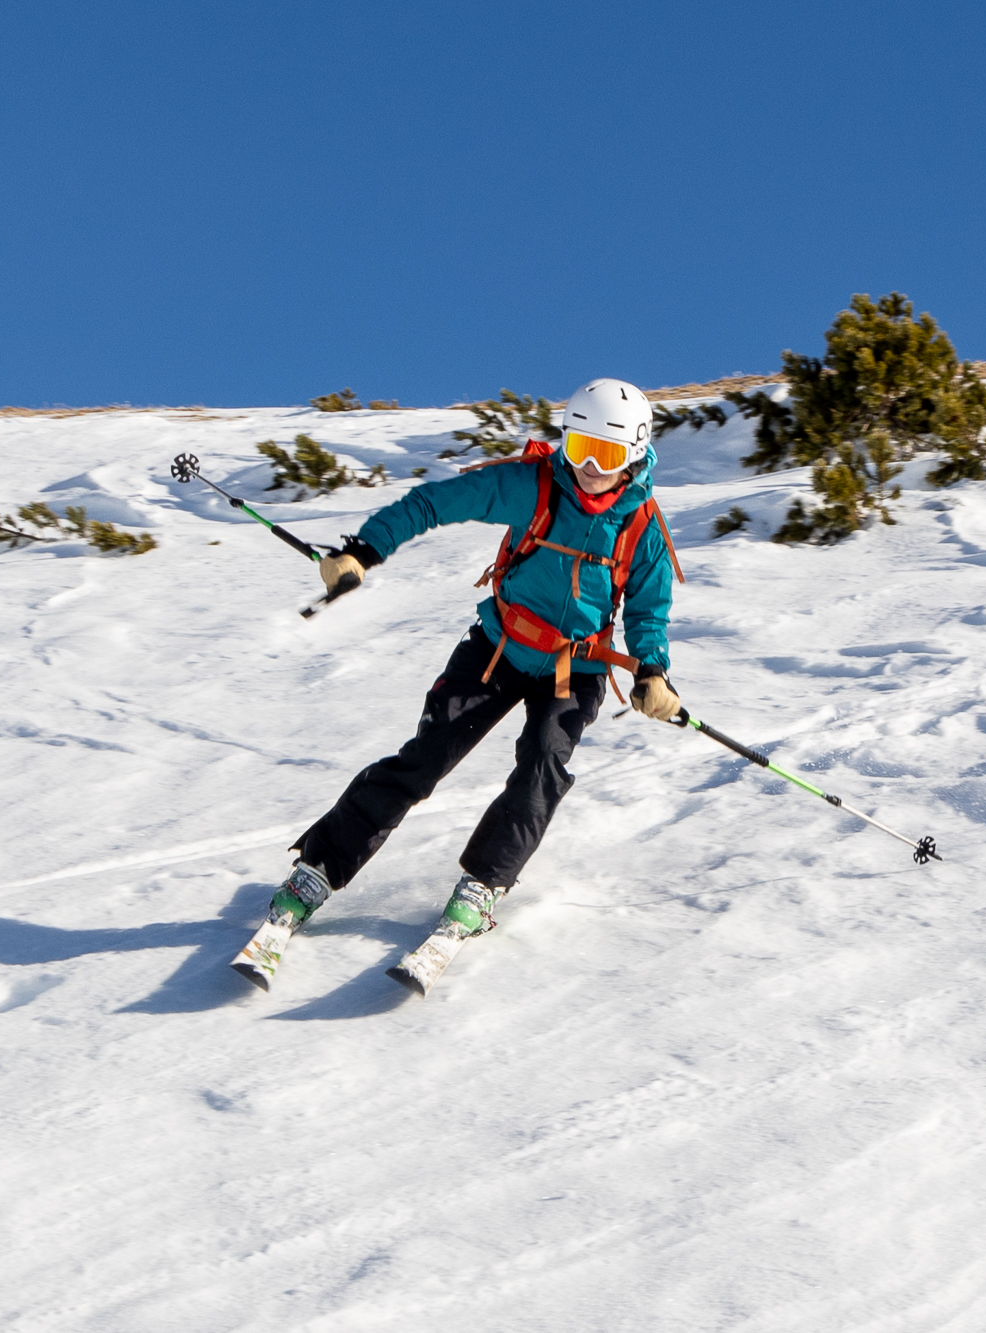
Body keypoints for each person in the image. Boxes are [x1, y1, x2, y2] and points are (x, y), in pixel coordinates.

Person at [231, 378, 684, 993]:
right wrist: (363, 551)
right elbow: (433, 502)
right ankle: (316, 871)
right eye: (576, 446)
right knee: (427, 757)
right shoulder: (534, 484)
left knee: (541, 768)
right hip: (496, 650)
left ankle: (484, 886)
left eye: (602, 456)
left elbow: (648, 611)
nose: (586, 468)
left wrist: (652, 671)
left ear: (632, 456)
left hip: (571, 669)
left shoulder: (643, 528)